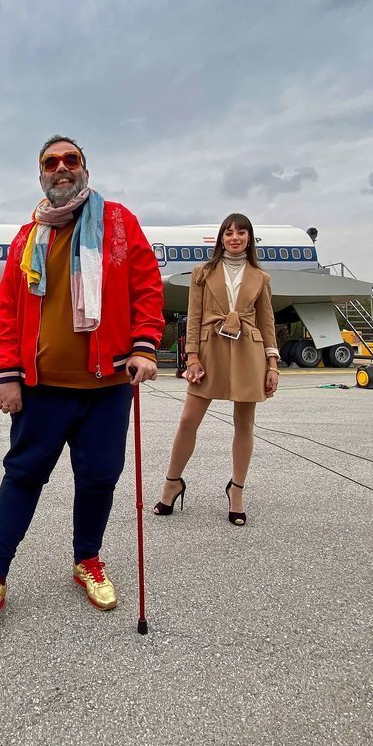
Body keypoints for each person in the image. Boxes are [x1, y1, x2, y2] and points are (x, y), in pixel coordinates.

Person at [0, 135, 164, 642]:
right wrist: (6, 373)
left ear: (85, 169)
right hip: (41, 387)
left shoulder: (117, 221)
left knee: (99, 478)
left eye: (70, 160)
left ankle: (87, 559)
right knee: (23, 476)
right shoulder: (27, 237)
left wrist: (144, 346)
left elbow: (146, 285)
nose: (61, 168)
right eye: (51, 162)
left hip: (107, 382)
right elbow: (7, 310)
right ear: (40, 175)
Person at [153, 213, 279, 525]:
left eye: (241, 232)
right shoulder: (202, 273)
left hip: (250, 351)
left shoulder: (260, 278)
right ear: (221, 238)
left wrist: (272, 364)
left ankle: (237, 490)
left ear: (249, 238)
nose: (234, 238)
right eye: (228, 233)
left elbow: (267, 322)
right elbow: (193, 318)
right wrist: (191, 358)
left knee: (244, 425)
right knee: (187, 421)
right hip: (210, 350)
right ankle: (172, 483)